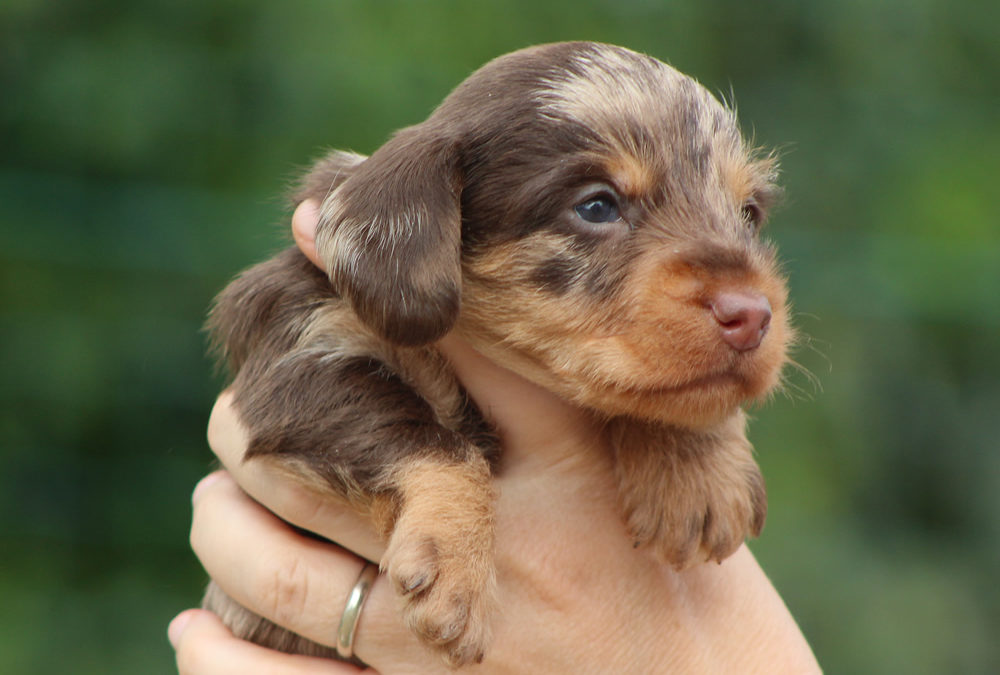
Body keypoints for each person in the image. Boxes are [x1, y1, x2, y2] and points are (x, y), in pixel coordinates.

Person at [167, 201, 821, 674]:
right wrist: (438, 486)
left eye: (746, 215)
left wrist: (688, 430)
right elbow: (281, 381)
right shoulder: (359, 274)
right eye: (599, 207)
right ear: (432, 211)